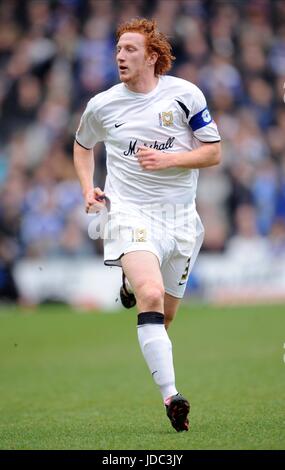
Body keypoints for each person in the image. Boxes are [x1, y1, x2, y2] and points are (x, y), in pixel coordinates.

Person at [74, 18, 221, 432]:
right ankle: (172, 397)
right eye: (118, 49)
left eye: (130, 49)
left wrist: (170, 159)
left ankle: (127, 283)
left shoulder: (185, 94)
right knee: (151, 294)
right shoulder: (102, 105)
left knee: (165, 317)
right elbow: (82, 147)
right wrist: (88, 188)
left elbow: (212, 153)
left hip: (180, 221)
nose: (121, 56)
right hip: (128, 214)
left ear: (152, 56)